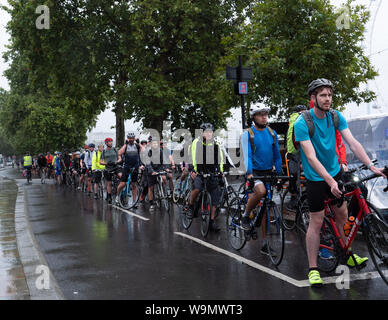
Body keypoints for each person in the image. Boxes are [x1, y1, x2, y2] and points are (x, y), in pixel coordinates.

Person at [294, 78, 386, 287]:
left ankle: (347, 253)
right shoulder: (302, 123)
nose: (328, 99)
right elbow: (310, 157)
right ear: (313, 98)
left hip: (335, 172)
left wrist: (372, 166)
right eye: (323, 95)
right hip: (316, 178)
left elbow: (352, 142)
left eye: (329, 95)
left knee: (343, 214)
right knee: (316, 221)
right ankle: (313, 268)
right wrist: (329, 181)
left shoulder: (335, 117)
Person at [240, 106, 283, 254]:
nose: (264, 117)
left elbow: (277, 156)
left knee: (265, 209)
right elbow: (247, 156)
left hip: (268, 173)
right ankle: (245, 216)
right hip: (255, 173)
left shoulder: (272, 133)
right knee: (261, 191)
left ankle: (265, 244)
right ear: (254, 117)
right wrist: (250, 173)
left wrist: (280, 173)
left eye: (265, 114)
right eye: (260, 115)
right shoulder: (248, 134)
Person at [183, 123, 224, 232]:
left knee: (215, 199)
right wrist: (193, 170)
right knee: (197, 188)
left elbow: (219, 158)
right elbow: (192, 157)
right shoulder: (197, 142)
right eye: (207, 132)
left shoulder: (215, 143)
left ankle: (211, 222)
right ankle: (191, 206)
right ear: (202, 133)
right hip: (199, 171)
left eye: (211, 132)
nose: (209, 134)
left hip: (211, 171)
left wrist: (220, 171)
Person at [144, 138, 172, 211]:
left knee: (164, 177)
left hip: (159, 168)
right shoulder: (149, 152)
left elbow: (164, 161)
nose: (155, 145)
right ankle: (151, 204)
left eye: (156, 143)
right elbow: (148, 163)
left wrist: (166, 168)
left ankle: (166, 191)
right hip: (151, 170)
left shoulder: (160, 151)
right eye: (153, 143)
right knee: (151, 188)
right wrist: (152, 171)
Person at [116, 132, 143, 206]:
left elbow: (143, 151)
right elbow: (119, 153)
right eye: (130, 138)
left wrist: (139, 142)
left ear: (134, 138)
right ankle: (117, 196)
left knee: (134, 185)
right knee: (122, 184)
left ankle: (134, 202)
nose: (131, 140)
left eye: (132, 138)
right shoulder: (126, 146)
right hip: (127, 167)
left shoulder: (137, 146)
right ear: (128, 139)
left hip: (135, 167)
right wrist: (125, 144)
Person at [100, 137, 119, 204]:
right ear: (106, 143)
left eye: (111, 141)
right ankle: (109, 196)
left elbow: (120, 158)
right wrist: (107, 163)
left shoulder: (115, 149)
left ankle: (120, 193)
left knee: (121, 176)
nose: (111, 143)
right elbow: (101, 162)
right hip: (108, 168)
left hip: (115, 166)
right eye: (109, 141)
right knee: (109, 183)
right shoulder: (104, 151)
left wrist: (116, 162)